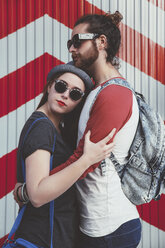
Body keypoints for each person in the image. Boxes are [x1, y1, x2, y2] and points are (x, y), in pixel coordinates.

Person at [49, 11, 142, 248]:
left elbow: (85, 160)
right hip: (93, 225)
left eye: (78, 41)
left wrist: (36, 189)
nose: (71, 48)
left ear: (101, 42)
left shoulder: (115, 94)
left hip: (111, 229)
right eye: (70, 43)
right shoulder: (96, 90)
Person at [12, 63, 115, 248]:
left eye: (75, 94)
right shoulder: (42, 127)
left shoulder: (55, 129)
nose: (66, 95)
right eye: (61, 86)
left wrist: (22, 191)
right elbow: (37, 194)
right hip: (40, 239)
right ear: (50, 85)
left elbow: (27, 187)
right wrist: (87, 160)